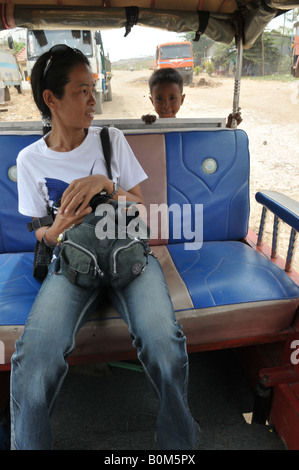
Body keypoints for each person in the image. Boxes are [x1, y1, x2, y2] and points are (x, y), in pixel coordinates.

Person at [10, 45, 200, 450]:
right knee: (33, 359)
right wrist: (58, 227)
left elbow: (139, 205)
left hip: (127, 256)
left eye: (93, 88)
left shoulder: (110, 141)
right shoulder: (30, 160)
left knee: (164, 344)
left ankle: (177, 445)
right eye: (82, 91)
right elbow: (41, 236)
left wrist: (105, 185)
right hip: (73, 261)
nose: (94, 100)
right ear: (52, 99)